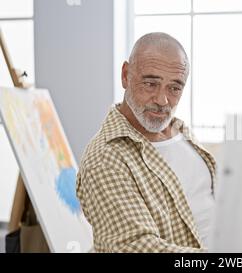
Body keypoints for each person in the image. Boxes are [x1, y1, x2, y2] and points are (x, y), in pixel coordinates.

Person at [76, 32, 216, 252]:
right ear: (125, 75)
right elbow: (135, 247)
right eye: (151, 83)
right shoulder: (105, 158)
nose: (163, 100)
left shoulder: (180, 130)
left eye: (174, 88)